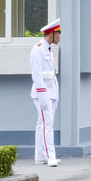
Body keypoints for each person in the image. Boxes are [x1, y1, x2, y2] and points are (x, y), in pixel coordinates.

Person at [30, 18, 61, 166]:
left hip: (51, 92)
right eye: (58, 33)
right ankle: (51, 156)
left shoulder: (48, 49)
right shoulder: (38, 49)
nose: (59, 37)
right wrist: (43, 96)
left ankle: (41, 155)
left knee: (42, 124)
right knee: (47, 124)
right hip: (43, 94)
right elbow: (36, 74)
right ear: (52, 34)